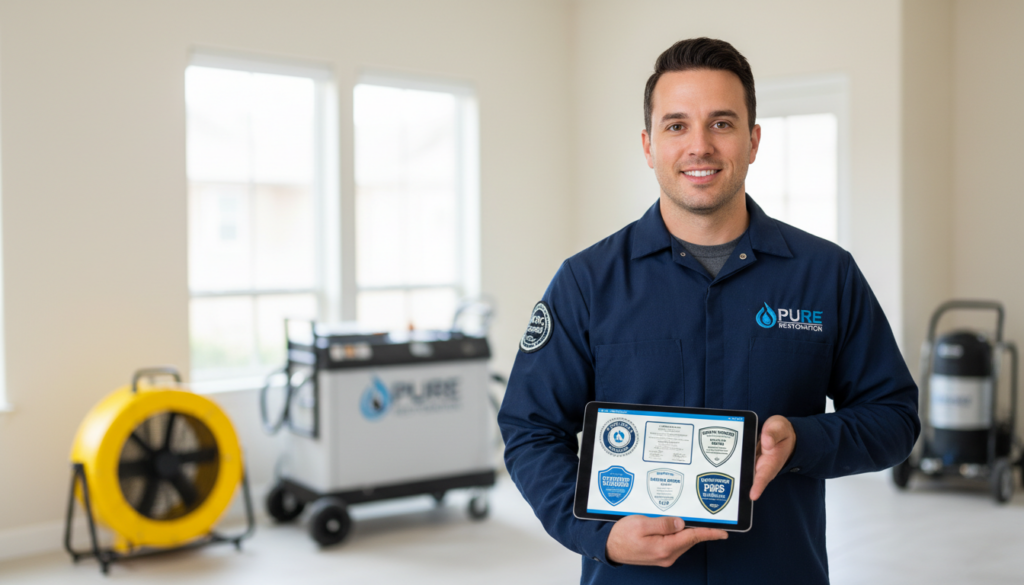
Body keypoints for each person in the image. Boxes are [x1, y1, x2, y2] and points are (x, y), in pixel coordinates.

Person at [497, 37, 920, 584]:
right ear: (648, 146)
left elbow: (894, 417)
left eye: (721, 123)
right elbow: (530, 430)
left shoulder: (825, 274)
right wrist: (598, 535)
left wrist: (804, 441)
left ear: (753, 140)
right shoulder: (586, 282)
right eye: (676, 126)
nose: (700, 146)